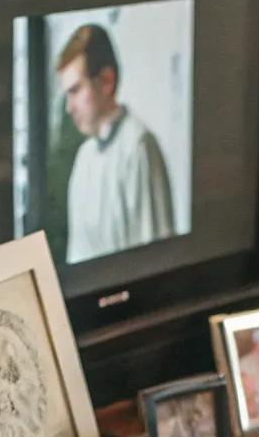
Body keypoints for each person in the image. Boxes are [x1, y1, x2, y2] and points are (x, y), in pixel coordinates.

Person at [57, 24, 175, 264]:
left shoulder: (139, 146)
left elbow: (156, 257)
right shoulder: (84, 158)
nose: (70, 108)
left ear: (107, 81)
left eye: (76, 90)